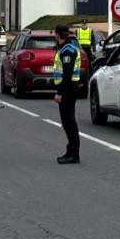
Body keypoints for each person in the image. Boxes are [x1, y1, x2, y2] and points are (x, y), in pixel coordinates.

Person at [53, 25, 82, 165]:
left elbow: (67, 74)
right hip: (69, 89)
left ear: (58, 35)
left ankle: (73, 154)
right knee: (67, 122)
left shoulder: (68, 51)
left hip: (69, 90)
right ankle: (71, 151)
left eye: (55, 33)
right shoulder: (66, 48)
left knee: (69, 122)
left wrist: (60, 93)